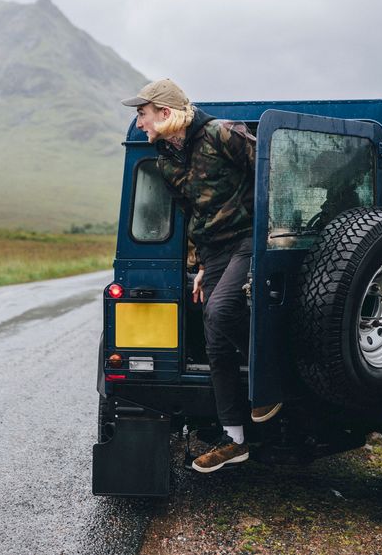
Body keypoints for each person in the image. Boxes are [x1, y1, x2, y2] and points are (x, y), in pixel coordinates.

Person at [121, 78, 282, 473]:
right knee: (215, 344)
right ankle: (235, 440)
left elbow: (274, 175)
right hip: (214, 251)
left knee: (221, 310)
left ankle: (274, 381)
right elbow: (191, 213)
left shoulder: (221, 134)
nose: (140, 122)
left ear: (165, 111)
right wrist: (202, 265)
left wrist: (278, 238)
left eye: (143, 114)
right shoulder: (164, 159)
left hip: (251, 238)